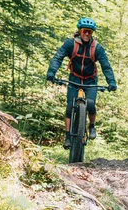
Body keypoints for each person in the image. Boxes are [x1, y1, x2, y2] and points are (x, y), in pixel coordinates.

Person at [46, 17, 117, 149]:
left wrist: (111, 82)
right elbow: (58, 57)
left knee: (90, 104)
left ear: (92, 33)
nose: (87, 34)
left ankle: (92, 126)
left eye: (90, 32)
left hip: (90, 80)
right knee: (69, 106)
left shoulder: (97, 48)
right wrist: (51, 73)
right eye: (85, 31)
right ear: (80, 31)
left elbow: (106, 66)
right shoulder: (70, 44)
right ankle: (67, 137)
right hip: (75, 78)